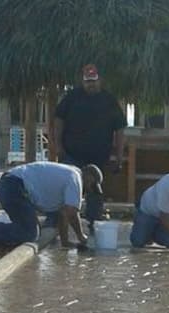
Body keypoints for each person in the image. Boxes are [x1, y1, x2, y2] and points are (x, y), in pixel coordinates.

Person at [48, 64, 126, 229]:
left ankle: (93, 223)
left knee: (95, 190)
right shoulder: (71, 97)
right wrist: (58, 145)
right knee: (66, 187)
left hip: (98, 156)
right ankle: (56, 222)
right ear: (82, 81)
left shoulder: (109, 100)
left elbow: (120, 130)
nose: (90, 84)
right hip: (72, 153)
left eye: (93, 81)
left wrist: (119, 156)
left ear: (100, 80)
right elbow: (58, 121)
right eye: (87, 81)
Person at [0, 161, 104, 248]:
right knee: (30, 233)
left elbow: (63, 214)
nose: (90, 190)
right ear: (89, 177)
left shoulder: (70, 174)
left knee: (29, 229)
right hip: (15, 186)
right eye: (92, 186)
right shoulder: (75, 178)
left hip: (11, 183)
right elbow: (71, 213)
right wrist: (81, 237)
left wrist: (65, 242)